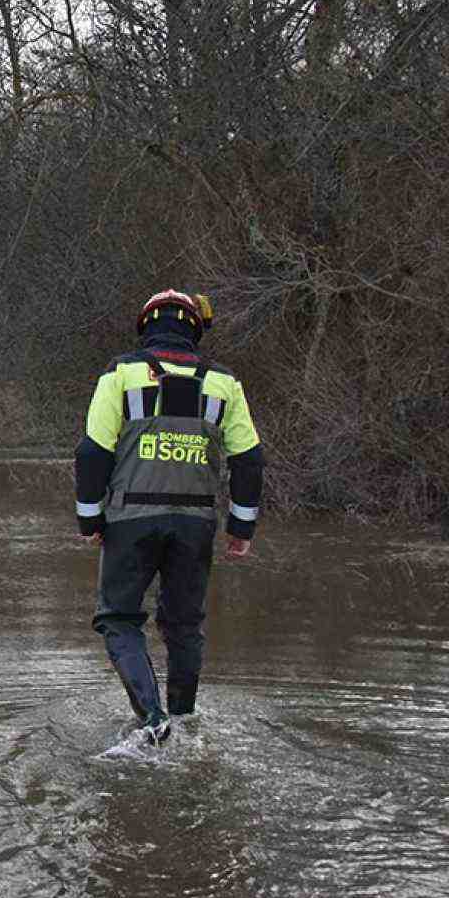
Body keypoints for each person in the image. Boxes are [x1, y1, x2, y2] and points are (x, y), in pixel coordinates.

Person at [73, 290, 265, 744]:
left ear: (146, 327)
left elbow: (92, 452)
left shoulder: (120, 374)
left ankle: (152, 719)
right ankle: (183, 722)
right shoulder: (224, 384)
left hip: (130, 520)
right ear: (195, 330)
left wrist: (90, 519)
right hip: (195, 525)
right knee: (183, 626)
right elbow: (250, 460)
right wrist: (241, 528)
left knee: (119, 619)